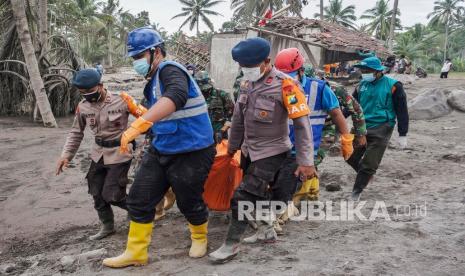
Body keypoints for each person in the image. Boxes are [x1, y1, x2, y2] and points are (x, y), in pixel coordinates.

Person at [102, 27, 216, 268]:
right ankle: (136, 253)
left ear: (155, 52)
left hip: (192, 149)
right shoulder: (151, 81)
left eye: (139, 56)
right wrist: (137, 111)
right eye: (133, 58)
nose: (136, 62)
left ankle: (199, 237)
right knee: (139, 199)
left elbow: (176, 96)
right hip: (162, 147)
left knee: (188, 199)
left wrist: (139, 125)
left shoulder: (170, 69)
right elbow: (158, 114)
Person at [208, 37, 316, 263]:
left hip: (273, 151)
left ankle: (231, 245)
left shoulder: (286, 85)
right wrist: (233, 148)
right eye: (242, 66)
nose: (244, 70)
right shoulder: (247, 84)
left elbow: (302, 125)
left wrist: (306, 161)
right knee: (261, 194)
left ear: (266, 61)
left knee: (242, 196)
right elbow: (238, 119)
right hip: (249, 150)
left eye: (249, 66)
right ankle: (266, 230)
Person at [56, 69, 146, 241]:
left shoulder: (123, 99)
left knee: (112, 194)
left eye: (90, 92)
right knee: (96, 191)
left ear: (100, 86)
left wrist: (134, 135)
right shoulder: (82, 107)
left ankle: (138, 212)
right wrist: (66, 155)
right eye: (83, 93)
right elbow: (76, 133)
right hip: (98, 154)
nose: (87, 96)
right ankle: (107, 226)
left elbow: (146, 117)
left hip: (120, 153)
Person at [274, 48, 354, 205]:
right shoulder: (275, 87)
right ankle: (302, 199)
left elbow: (337, 114)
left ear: (301, 71)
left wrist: (346, 139)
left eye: (288, 75)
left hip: (305, 148)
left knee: (291, 183)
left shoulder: (320, 88)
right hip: (278, 146)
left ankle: (291, 208)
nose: (285, 79)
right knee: (279, 182)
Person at [348, 56, 409, 201]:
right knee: (349, 155)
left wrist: (403, 134)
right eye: (362, 70)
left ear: (377, 71)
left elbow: (402, 111)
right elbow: (350, 105)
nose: (364, 73)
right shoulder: (361, 85)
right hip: (361, 125)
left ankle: (356, 192)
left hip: (382, 126)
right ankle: (367, 174)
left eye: (367, 70)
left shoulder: (394, 86)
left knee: (369, 163)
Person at [195, 71, 235, 142]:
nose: (204, 90)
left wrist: (222, 131)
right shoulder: (195, 98)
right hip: (201, 135)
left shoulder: (222, 95)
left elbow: (232, 116)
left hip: (219, 134)